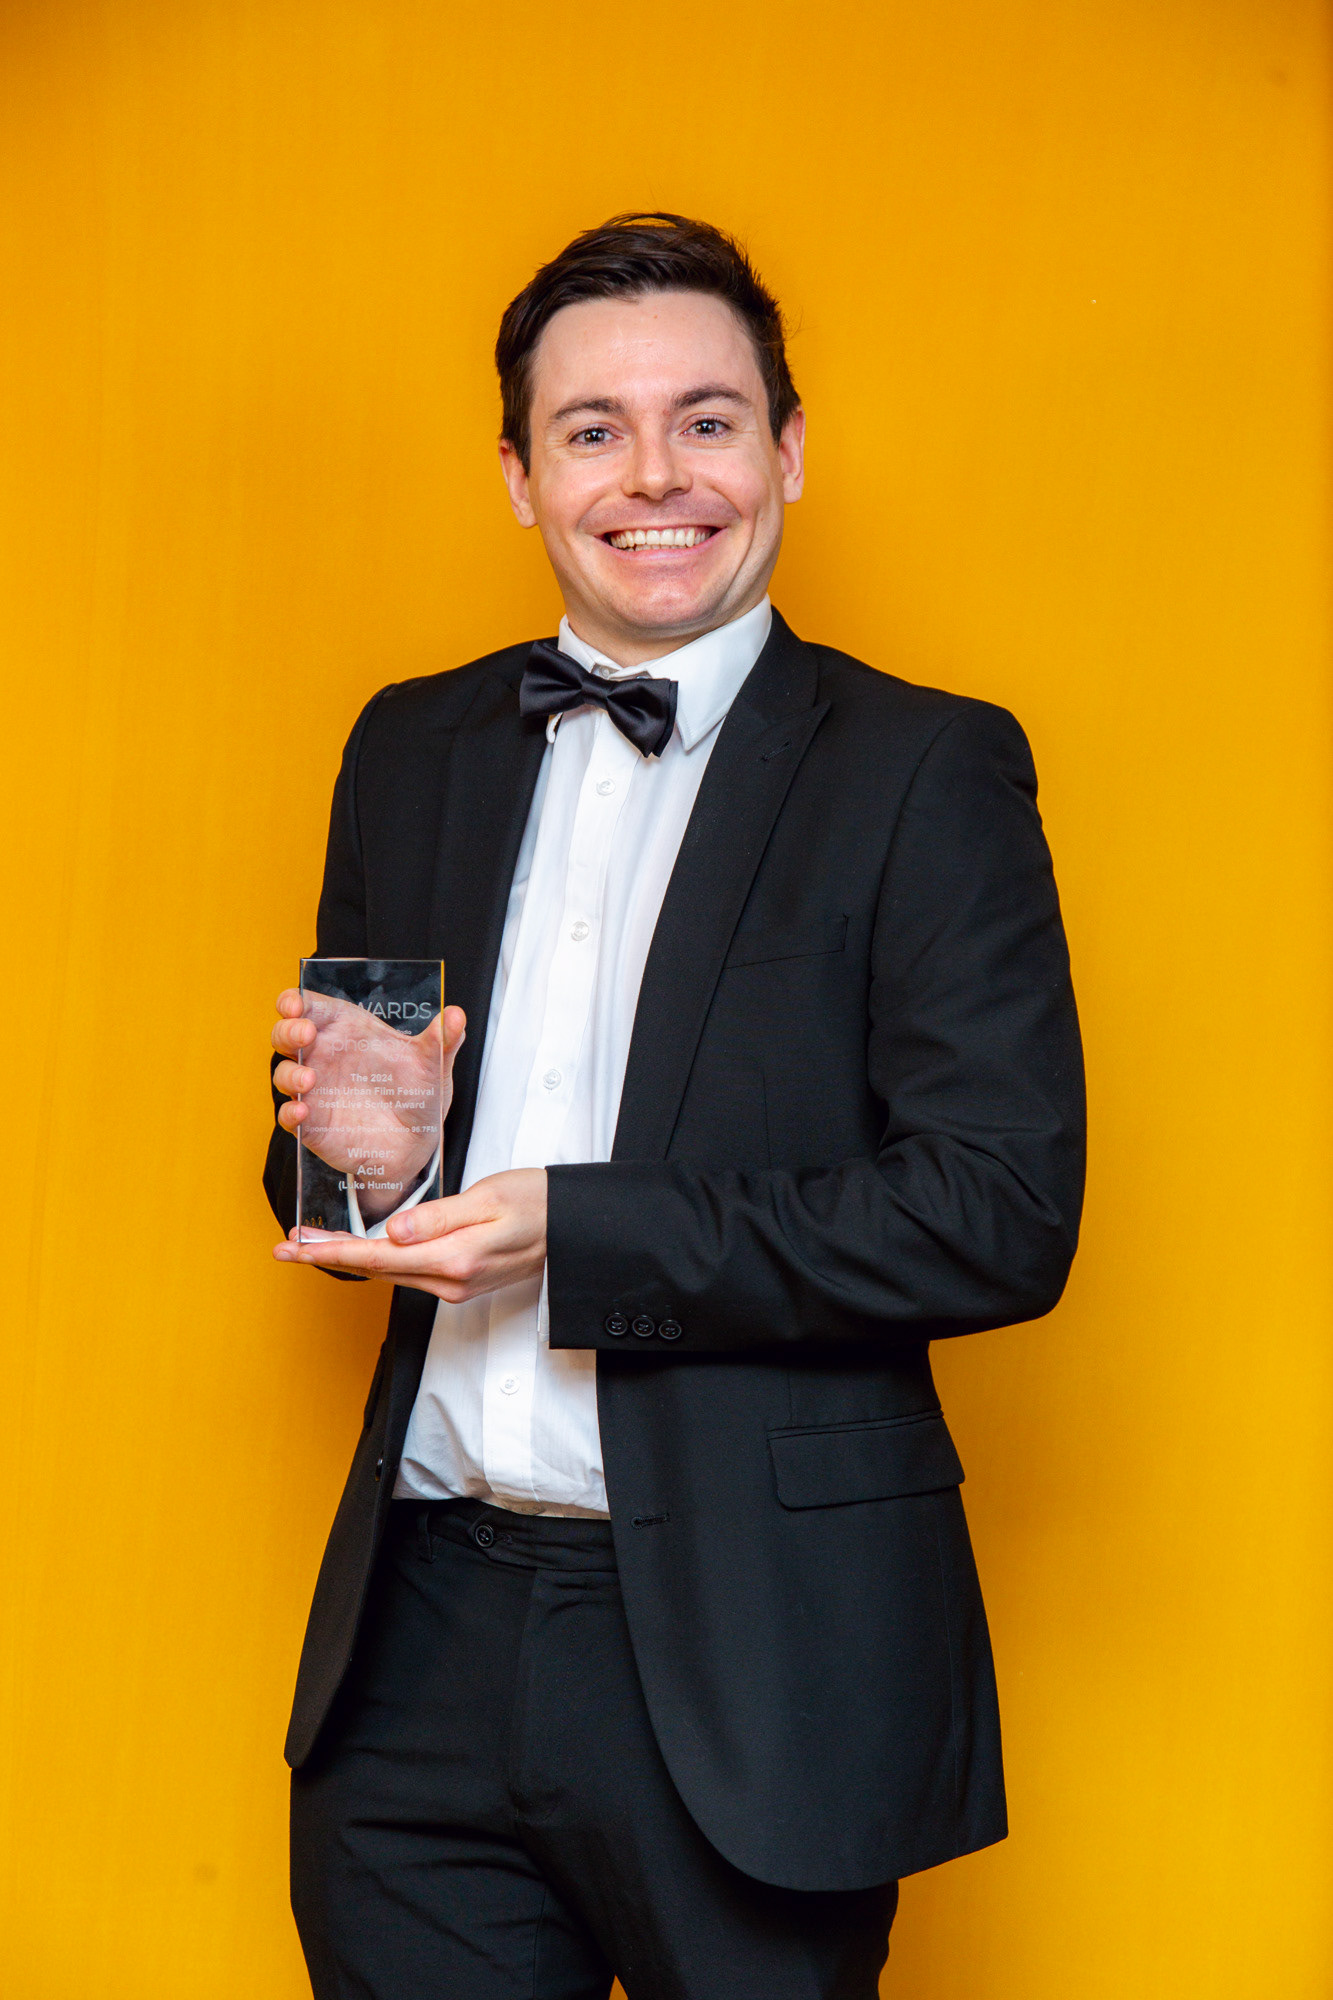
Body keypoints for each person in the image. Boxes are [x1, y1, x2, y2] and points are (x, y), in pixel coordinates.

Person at [264, 212, 1085, 2000]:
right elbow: (347, 1130)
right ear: (517, 474)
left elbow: (995, 1209)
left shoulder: (926, 768)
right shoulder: (411, 744)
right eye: (591, 429)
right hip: (414, 1644)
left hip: (757, 1664)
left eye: (707, 421)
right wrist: (369, 1153)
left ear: (787, 450)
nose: (654, 476)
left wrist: (586, 1227)